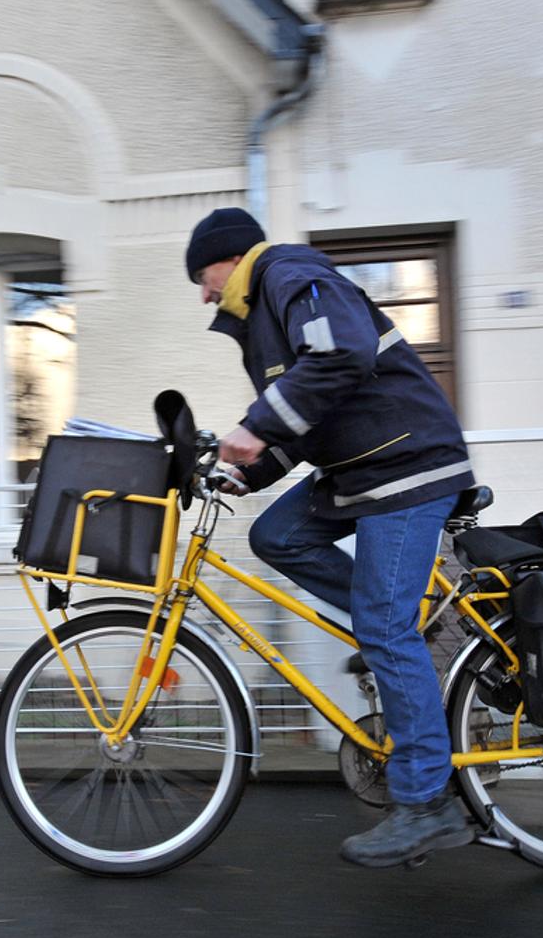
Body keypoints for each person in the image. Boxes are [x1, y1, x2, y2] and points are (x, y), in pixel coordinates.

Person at [184, 207, 477, 868]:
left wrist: (257, 423)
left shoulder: (290, 274)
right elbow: (309, 423)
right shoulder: (264, 317)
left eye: (202, 277)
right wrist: (245, 471)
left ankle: (428, 806)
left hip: (409, 468)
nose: (203, 294)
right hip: (364, 470)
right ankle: (409, 621)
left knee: (383, 629)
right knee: (277, 535)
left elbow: (339, 355)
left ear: (229, 258)